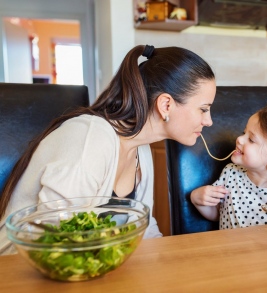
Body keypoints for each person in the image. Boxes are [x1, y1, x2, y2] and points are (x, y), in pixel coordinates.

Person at [0, 44, 216, 255]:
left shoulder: (141, 148)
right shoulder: (90, 137)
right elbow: (55, 239)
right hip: (19, 269)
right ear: (166, 105)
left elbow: (144, 230)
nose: (209, 121)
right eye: (203, 109)